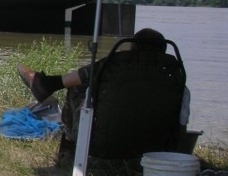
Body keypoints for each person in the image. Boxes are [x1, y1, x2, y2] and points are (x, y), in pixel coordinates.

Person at [17, 28, 190, 156]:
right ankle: (48, 84)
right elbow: (181, 128)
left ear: (133, 49)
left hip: (103, 145)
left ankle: (68, 141)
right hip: (158, 150)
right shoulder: (178, 84)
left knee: (78, 86)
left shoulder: (114, 69)